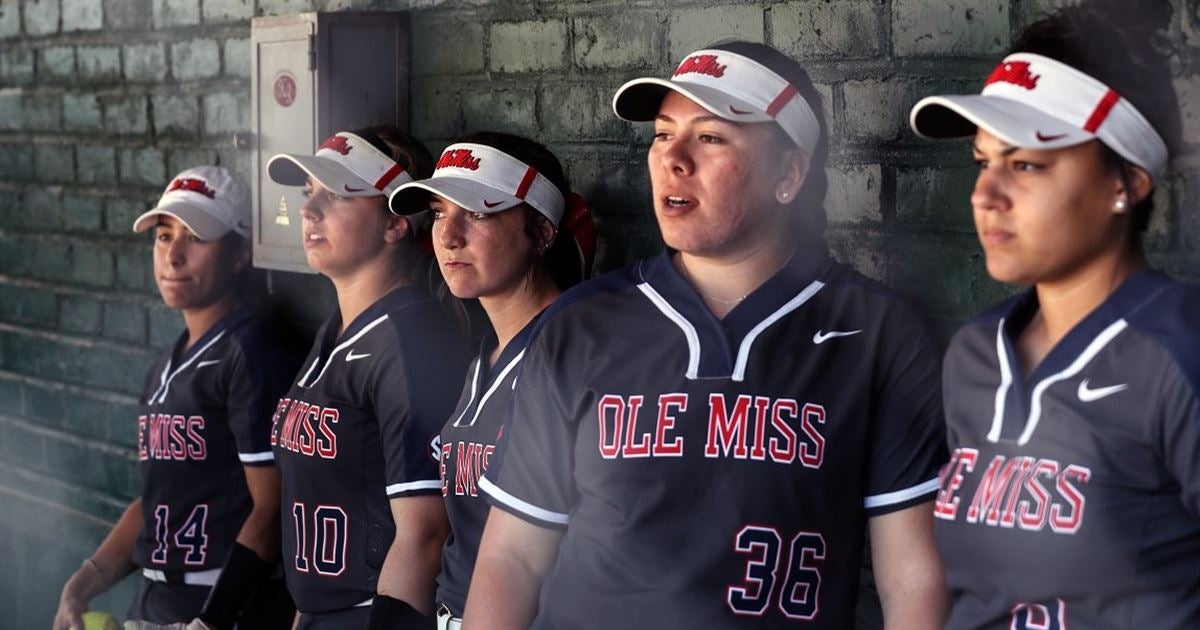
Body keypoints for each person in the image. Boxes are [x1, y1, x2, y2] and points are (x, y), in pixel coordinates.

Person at [464, 42, 947, 629]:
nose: (674, 159)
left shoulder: (877, 332)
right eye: (664, 134)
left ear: (789, 174)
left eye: (711, 137)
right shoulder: (582, 322)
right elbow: (512, 557)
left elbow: (912, 578)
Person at [910, 1, 1200, 628]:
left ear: (1126, 181)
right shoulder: (975, 353)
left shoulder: (1179, 355)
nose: (985, 196)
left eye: (1025, 165)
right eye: (983, 162)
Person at [52, 166, 298, 630]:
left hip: (224, 603)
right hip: (156, 596)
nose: (174, 256)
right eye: (164, 237)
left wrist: (213, 620)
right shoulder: (166, 363)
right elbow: (154, 498)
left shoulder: (250, 352)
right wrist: (79, 586)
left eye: (196, 238)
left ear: (241, 252)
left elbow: (274, 503)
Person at [387, 131, 596, 630]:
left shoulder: (570, 353)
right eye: (438, 212)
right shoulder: (487, 354)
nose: (449, 235)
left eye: (477, 212)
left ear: (542, 232)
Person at [266, 127, 469, 629]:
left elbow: (424, 534)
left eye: (336, 195)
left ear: (396, 223)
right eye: (308, 192)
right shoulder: (335, 330)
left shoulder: (410, 340)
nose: (310, 211)